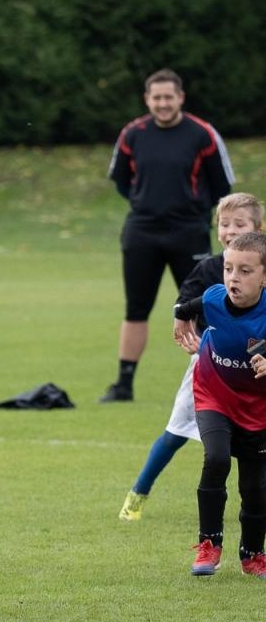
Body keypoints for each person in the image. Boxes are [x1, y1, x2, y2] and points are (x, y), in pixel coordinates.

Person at [121, 192, 263, 520]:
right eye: (224, 224)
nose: (230, 230)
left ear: (257, 230)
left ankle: (255, 509)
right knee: (176, 432)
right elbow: (184, 303)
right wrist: (184, 323)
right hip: (211, 368)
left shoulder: (261, 270)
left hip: (256, 369)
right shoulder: (210, 268)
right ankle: (138, 493)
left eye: (239, 224)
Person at [103, 68, 233, 403]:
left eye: (168, 97)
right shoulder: (133, 134)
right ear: (147, 99)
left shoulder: (202, 134)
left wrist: (193, 210)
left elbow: (222, 185)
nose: (163, 103)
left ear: (180, 98)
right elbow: (121, 181)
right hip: (142, 232)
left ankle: (219, 378)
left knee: (206, 306)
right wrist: (146, 203)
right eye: (156, 97)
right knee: (136, 308)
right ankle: (123, 385)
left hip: (188, 232)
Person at [178, 231, 266, 577]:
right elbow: (187, 307)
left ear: (264, 277)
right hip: (213, 393)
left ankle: (253, 554)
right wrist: (181, 322)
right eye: (229, 269)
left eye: (245, 271)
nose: (233, 278)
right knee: (216, 458)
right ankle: (209, 545)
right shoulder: (214, 296)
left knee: (255, 488)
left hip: (258, 408)